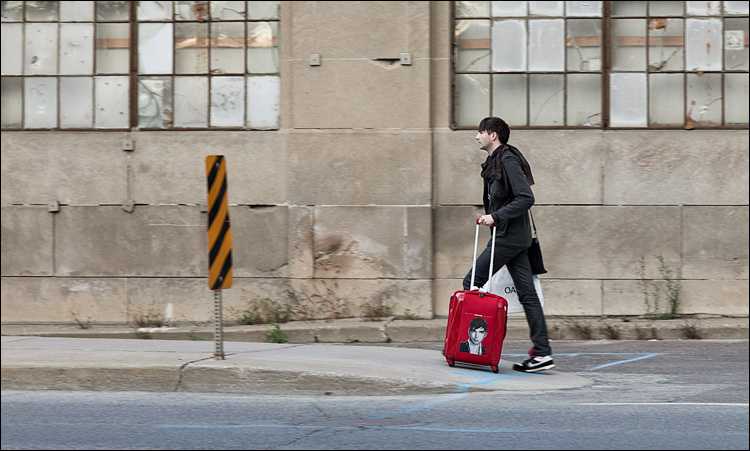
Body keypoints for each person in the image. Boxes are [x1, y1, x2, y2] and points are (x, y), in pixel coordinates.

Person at [462, 116, 554, 373]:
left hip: (509, 237)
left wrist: (496, 216)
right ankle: (542, 353)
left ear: (493, 135)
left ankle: (477, 346)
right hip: (512, 236)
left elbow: (526, 198)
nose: (476, 136)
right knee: (527, 295)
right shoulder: (495, 161)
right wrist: (490, 216)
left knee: (471, 282)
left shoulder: (508, 159)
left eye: (480, 132)